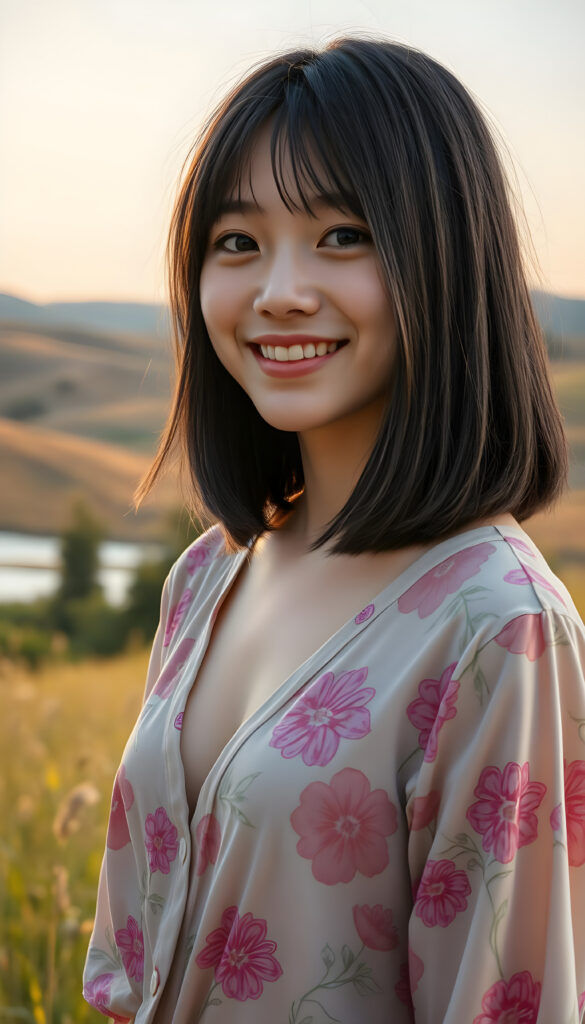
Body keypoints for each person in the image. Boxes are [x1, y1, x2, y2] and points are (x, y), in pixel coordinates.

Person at [83, 35, 585, 1023]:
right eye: (238, 242)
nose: (279, 290)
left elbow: (504, 1002)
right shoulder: (210, 576)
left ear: (445, 260)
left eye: (343, 234)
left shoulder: (499, 630)